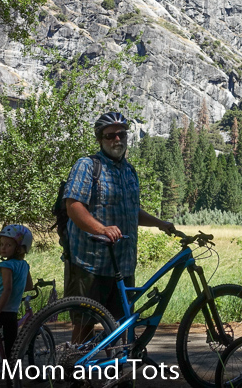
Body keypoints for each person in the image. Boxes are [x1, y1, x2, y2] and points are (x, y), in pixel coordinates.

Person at [63, 111, 176, 326]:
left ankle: (117, 362)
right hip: (90, 263)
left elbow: (133, 212)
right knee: (84, 325)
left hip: (123, 266)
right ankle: (75, 361)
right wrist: (102, 229)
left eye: (122, 135)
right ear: (99, 139)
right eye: (110, 135)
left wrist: (160, 224)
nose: (117, 140)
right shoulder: (87, 166)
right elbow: (74, 207)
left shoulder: (129, 171)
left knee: (119, 328)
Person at [0, 224, 33, 356]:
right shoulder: (25, 265)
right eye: (2, 244)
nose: (3, 248)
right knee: (11, 348)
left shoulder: (6, 265)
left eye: (8, 245)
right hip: (11, 312)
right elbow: (29, 287)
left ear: (19, 248)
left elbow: (7, 289)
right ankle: (8, 375)